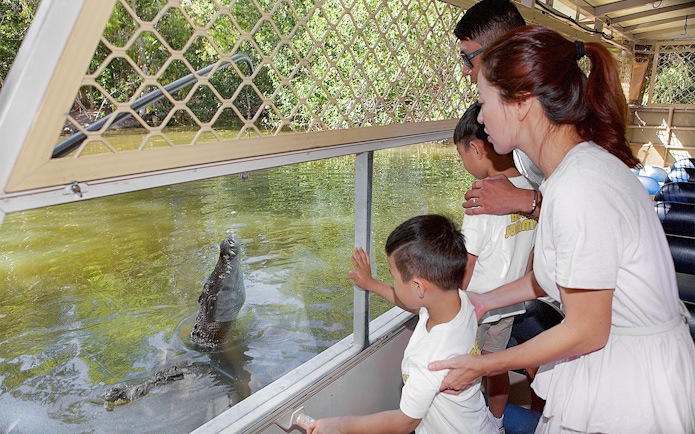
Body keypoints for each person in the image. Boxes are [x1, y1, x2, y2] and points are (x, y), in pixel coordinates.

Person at [428, 25, 695, 433]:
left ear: (521, 103)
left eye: (484, 102)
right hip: (618, 357)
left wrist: (483, 364)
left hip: (631, 385)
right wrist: (482, 301)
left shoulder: (579, 186)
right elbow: (558, 276)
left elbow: (586, 329)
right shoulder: (568, 173)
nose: (480, 117)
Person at [307, 214, 498, 434]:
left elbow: (404, 422)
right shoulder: (459, 301)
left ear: (418, 286)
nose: (394, 283)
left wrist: (338, 425)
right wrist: (372, 284)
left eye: (394, 277)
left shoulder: (430, 357)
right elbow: (419, 307)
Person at [453, 102, 537, 433]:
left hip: (477, 307)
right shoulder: (531, 191)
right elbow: (531, 259)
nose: (464, 163)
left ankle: (468, 425)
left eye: (462, 154)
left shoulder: (481, 198)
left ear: (476, 148)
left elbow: (466, 267)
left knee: (468, 369)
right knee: (496, 366)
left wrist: (451, 307)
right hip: (511, 304)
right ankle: (498, 423)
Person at [454, 0, 544, 215]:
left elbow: (590, 209)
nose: (466, 71)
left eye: (467, 58)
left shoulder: (551, 116)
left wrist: (523, 200)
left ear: (499, 51)